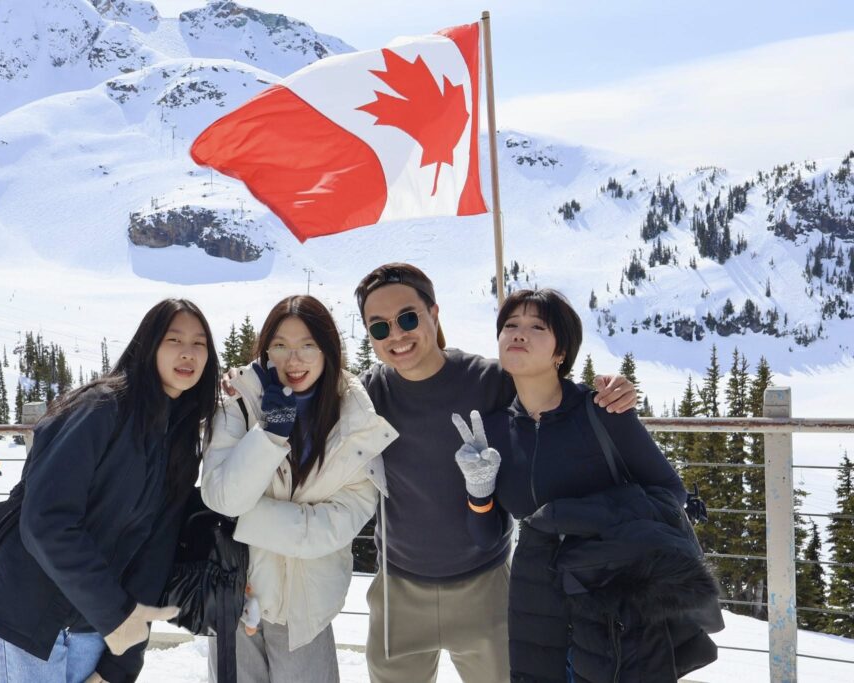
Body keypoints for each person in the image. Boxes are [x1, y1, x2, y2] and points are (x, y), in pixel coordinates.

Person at [353, 263, 638, 683]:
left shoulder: (490, 381)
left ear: (434, 314)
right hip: (397, 591)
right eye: (379, 327)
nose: (396, 334)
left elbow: (553, 401)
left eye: (408, 318)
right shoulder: (366, 395)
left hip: (486, 586)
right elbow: (310, 408)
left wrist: (612, 394)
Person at [453, 288, 721, 682]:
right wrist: (478, 491)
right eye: (510, 325)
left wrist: (571, 519)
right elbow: (487, 537)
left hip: (617, 603)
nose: (519, 333)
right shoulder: (492, 431)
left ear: (561, 352)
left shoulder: (602, 411)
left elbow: (670, 492)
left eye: (537, 327)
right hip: (541, 603)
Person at [0, 299, 221, 683]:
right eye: (174, 339)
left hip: (96, 630)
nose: (188, 352)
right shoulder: (100, 408)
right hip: (31, 615)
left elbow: (154, 554)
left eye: (199, 343)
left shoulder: (179, 440)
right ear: (149, 345)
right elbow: (45, 522)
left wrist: (120, 664)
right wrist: (116, 615)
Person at [202, 294, 395, 683]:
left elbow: (340, 522)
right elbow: (223, 498)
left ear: (328, 350)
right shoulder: (238, 402)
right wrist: (270, 435)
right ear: (265, 350)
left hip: (306, 609)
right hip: (234, 594)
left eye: (308, 345)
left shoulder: (354, 421)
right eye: (280, 345)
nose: (294, 360)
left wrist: (243, 521)